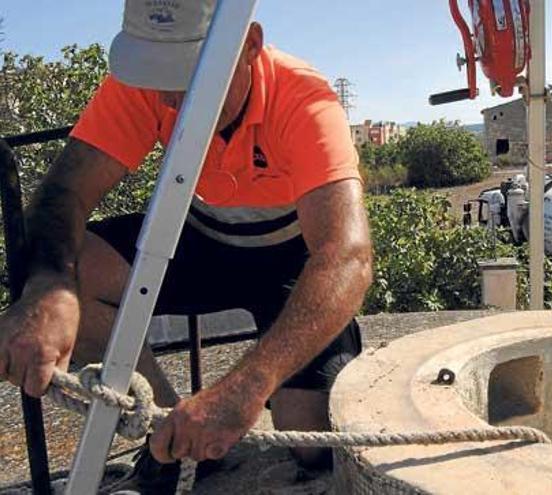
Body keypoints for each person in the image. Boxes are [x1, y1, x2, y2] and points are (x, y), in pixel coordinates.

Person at [0, 0, 372, 490]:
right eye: (159, 74)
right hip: (200, 239)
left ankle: (300, 379)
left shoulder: (303, 99)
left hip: (290, 260)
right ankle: (168, 438)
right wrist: (49, 290)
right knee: (76, 267)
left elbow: (345, 256)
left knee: (312, 445)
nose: (172, 98)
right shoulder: (140, 88)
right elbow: (64, 193)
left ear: (250, 46)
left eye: (192, 77)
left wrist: (243, 390)